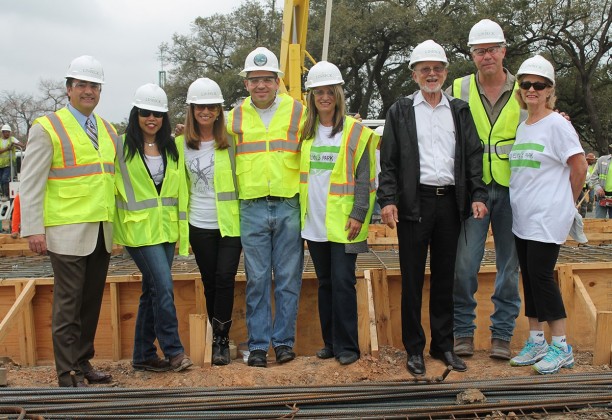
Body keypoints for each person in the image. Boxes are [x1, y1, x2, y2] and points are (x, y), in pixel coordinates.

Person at [377, 40, 488, 376]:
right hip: (415, 203)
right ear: (414, 74)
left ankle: (444, 346)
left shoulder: (459, 109)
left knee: (445, 278)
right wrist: (388, 200)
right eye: (425, 69)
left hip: (449, 203)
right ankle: (414, 350)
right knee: (412, 279)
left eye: (437, 68)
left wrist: (478, 195)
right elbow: (390, 161)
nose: (432, 74)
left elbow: (472, 155)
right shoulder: (400, 111)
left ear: (445, 73)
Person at [20, 55, 117, 387]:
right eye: (82, 85)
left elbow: (111, 180)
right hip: (66, 232)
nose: (88, 91)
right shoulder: (47, 127)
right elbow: (31, 182)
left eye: (94, 86)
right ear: (68, 89)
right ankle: (67, 373)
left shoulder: (106, 129)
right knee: (68, 304)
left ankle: (83, 361)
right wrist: (33, 229)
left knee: (89, 303)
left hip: (101, 230)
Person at [226, 47, 306, 368]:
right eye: (254, 80)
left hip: (288, 203)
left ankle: (284, 342)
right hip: (252, 206)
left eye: (267, 79)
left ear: (278, 82)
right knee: (257, 279)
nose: (261, 85)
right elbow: (205, 140)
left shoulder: (299, 112)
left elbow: (327, 132)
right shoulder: (233, 117)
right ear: (246, 84)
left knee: (288, 277)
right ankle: (258, 345)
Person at [507, 55, 587, 374]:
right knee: (529, 277)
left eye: (538, 85)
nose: (531, 89)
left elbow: (579, 165)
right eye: (526, 83)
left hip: (546, 218)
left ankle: (561, 346)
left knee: (542, 278)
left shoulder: (557, 124)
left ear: (549, 90)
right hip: (523, 219)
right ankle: (537, 340)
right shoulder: (524, 126)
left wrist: (567, 203)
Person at [449, 19, 523, 360]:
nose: (487, 56)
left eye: (492, 49)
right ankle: (463, 333)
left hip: (515, 191)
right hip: (474, 191)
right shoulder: (459, 89)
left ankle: (502, 336)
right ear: (472, 55)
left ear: (504, 51)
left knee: (510, 267)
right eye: (480, 51)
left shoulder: (526, 87)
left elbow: (545, 117)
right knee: (464, 265)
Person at [299, 61, 377, 366]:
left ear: (338, 93)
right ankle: (330, 342)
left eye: (329, 91)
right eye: (318, 92)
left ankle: (348, 347)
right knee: (325, 283)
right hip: (315, 222)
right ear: (311, 97)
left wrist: (359, 213)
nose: (324, 97)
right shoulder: (306, 132)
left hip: (346, 223)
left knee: (344, 282)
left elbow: (365, 177)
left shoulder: (355, 132)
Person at [114, 83, 192, 373]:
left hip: (165, 231)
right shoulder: (120, 146)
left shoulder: (173, 148)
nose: (151, 118)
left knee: (151, 291)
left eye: (157, 114)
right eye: (145, 112)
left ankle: (143, 355)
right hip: (138, 232)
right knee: (163, 286)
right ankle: (174, 351)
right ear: (136, 114)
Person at [180, 78, 241, 366]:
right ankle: (215, 332)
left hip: (229, 224)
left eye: (211, 107)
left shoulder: (231, 141)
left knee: (224, 278)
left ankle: (221, 338)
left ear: (218, 111)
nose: (205, 111)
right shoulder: (180, 145)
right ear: (191, 110)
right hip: (199, 224)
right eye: (199, 107)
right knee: (209, 281)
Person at [0, 124, 24, 201]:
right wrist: (7, 148)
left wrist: (14, 144)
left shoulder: (12, 139)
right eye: (6, 132)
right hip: (1, 164)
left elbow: (22, 145)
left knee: (4, 179)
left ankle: (6, 195)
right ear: (2, 132)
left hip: (9, 164)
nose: (8, 134)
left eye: (9, 132)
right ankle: (3, 194)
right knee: (1, 180)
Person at [590, 145, 612, 219]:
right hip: (601, 198)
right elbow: (593, 177)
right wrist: (598, 188)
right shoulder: (602, 160)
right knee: (599, 223)